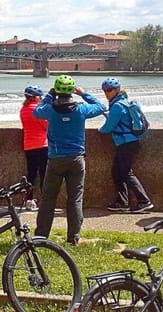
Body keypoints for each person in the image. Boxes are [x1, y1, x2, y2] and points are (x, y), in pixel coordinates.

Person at [33, 75, 106, 246]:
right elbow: (101, 106)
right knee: (75, 198)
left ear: (57, 91)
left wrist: (49, 96)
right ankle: (74, 237)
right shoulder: (81, 110)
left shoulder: (50, 109)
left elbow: (36, 112)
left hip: (55, 159)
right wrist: (83, 94)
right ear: (72, 91)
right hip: (76, 159)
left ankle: (41, 236)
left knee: (48, 198)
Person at [98, 78, 154, 213]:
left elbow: (108, 127)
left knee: (126, 173)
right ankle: (122, 202)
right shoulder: (121, 103)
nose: (107, 93)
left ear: (117, 90)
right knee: (117, 172)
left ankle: (144, 201)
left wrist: (99, 130)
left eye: (109, 90)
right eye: (105, 90)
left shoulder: (117, 106)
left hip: (126, 143)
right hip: (128, 142)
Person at [19, 85, 48, 211]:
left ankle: (29, 200)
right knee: (43, 174)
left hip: (28, 145)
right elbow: (46, 125)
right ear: (36, 97)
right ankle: (45, 201)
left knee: (31, 174)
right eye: (39, 96)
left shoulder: (23, 109)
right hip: (42, 144)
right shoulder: (38, 110)